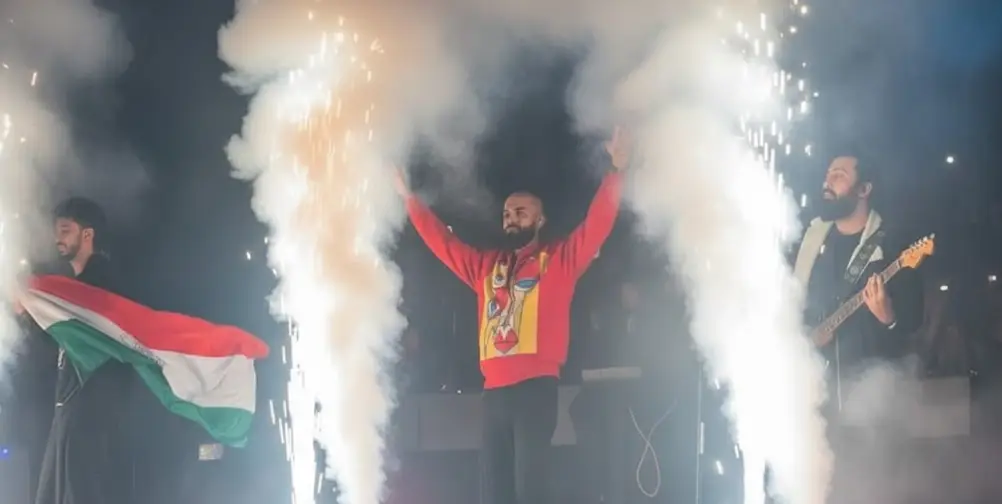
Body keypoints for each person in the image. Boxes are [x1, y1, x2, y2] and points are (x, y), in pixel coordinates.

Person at [396, 127, 632, 504]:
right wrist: (410, 200)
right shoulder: (486, 267)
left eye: (522, 211)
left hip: (536, 390)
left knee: (531, 489)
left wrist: (615, 171)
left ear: (539, 221)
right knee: (494, 493)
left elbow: (597, 225)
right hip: (493, 394)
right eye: (507, 212)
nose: (511, 217)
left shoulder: (558, 261)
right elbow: (444, 243)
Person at [790, 155, 924, 504]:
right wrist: (808, 336)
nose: (827, 181)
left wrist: (887, 315)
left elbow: (913, 320)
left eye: (839, 175)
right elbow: (791, 307)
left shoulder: (892, 245)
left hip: (873, 403)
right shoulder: (810, 242)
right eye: (827, 173)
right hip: (817, 400)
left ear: (864, 189)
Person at [27, 197, 132, 504]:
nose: (57, 238)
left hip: (89, 409)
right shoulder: (73, 290)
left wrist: (36, 304)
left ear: (87, 235)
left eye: (65, 230)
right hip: (71, 406)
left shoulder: (99, 285)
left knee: (79, 492)